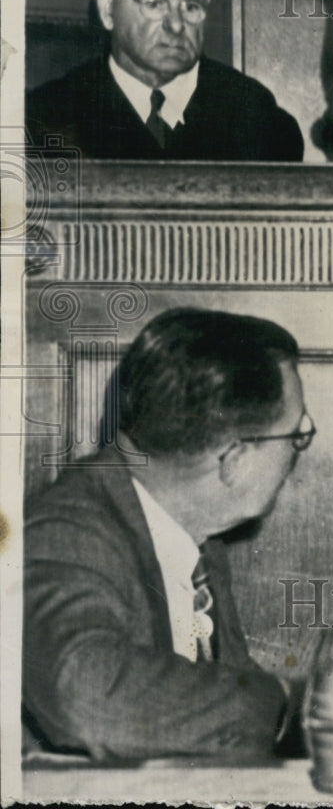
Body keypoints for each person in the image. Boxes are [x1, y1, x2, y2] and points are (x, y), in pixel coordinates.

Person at [23, 308, 314, 760]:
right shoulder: (65, 533)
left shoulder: (195, 531)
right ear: (233, 460)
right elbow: (89, 699)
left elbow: (209, 696)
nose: (302, 443)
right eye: (297, 435)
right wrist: (279, 702)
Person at [26, 0, 304, 160]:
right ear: (108, 9)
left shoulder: (258, 118)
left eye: (191, 6)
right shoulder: (46, 117)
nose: (176, 25)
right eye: (155, 4)